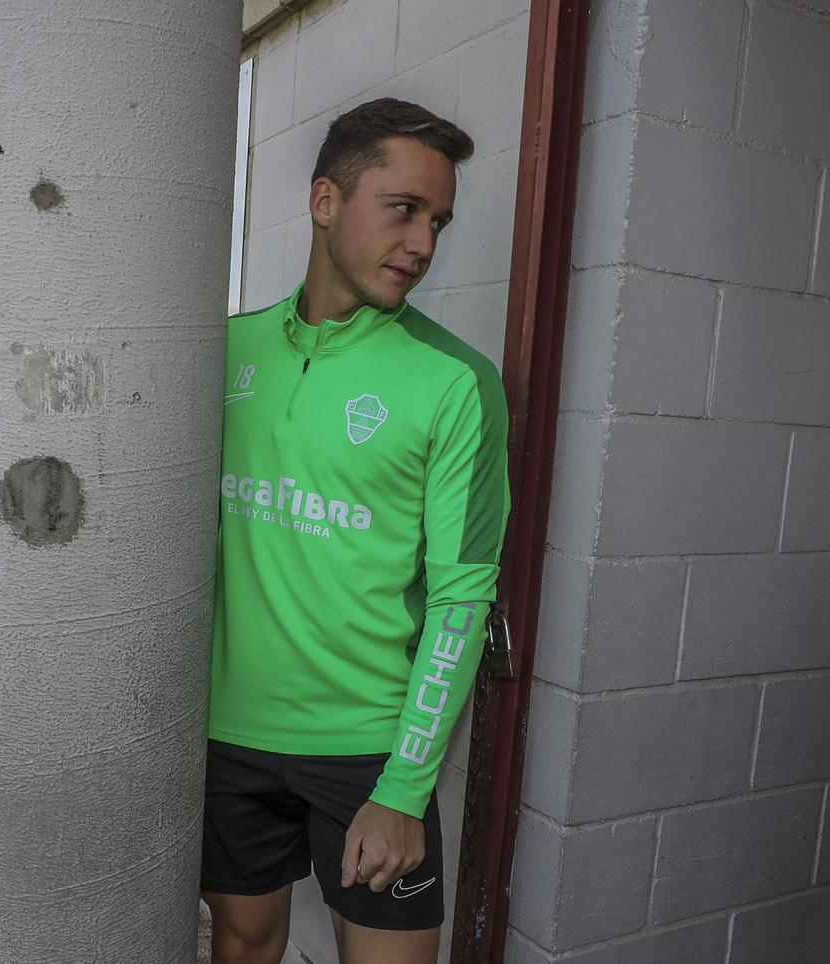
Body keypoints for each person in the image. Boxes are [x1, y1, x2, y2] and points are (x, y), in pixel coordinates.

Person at [201, 97, 511, 964]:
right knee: (242, 941)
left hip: (370, 751)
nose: (423, 245)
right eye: (404, 210)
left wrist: (405, 789)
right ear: (325, 200)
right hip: (229, 736)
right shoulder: (223, 352)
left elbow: (462, 598)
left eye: (439, 221)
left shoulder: (454, 383)